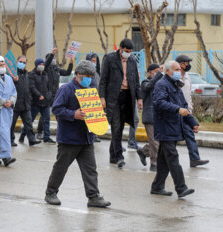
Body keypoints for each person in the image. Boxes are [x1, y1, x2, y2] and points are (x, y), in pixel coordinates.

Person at [45, 60, 111, 208]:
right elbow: (56, 109)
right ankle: (51, 192)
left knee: (90, 170)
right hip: (69, 138)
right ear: (77, 74)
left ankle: (93, 196)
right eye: (86, 75)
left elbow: (93, 111)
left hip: (86, 138)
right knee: (61, 167)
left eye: (91, 76)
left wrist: (99, 116)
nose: (89, 78)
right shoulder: (66, 89)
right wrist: (73, 114)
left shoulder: (91, 89)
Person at [151, 60, 196, 198]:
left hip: (173, 127)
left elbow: (184, 106)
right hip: (165, 127)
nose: (179, 72)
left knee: (164, 160)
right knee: (173, 158)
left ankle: (157, 187)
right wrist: (177, 109)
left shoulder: (176, 85)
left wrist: (193, 122)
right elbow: (159, 103)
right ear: (167, 71)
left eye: (179, 70)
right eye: (176, 69)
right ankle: (181, 188)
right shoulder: (161, 85)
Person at [99, 38, 144, 168]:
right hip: (114, 97)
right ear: (120, 48)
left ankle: (113, 156)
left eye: (130, 51)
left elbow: (136, 81)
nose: (128, 53)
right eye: (126, 51)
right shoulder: (109, 58)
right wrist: (102, 97)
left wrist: (139, 98)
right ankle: (119, 156)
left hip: (127, 96)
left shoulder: (132, 60)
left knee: (122, 125)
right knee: (116, 125)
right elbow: (103, 80)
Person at [175, 55, 209, 167]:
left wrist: (190, 108)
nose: (189, 65)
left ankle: (194, 159)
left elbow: (188, 95)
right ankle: (147, 151)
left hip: (186, 111)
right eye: (187, 63)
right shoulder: (174, 77)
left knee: (189, 134)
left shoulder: (187, 77)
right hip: (176, 111)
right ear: (180, 64)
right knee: (169, 139)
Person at [36, 48, 74, 140]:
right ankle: (40, 132)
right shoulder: (45, 69)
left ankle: (62, 130)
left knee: (59, 114)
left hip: (56, 94)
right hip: (47, 94)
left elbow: (67, 73)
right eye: (51, 58)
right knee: (45, 115)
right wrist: (52, 54)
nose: (53, 60)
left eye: (53, 58)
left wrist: (71, 63)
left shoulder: (56, 69)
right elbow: (47, 63)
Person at [21, 49, 56, 144]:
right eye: (40, 64)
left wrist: (48, 95)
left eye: (43, 64)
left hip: (45, 102)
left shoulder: (45, 74)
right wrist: (39, 95)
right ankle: (22, 135)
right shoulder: (31, 75)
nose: (42, 66)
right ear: (36, 65)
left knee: (47, 120)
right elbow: (32, 87)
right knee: (30, 121)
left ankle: (47, 137)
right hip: (35, 102)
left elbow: (48, 87)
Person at [10, 55, 41, 147]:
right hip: (15, 104)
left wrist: (30, 98)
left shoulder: (27, 74)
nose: (22, 64)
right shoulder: (12, 74)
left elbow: (29, 87)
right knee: (11, 124)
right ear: (17, 62)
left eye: (24, 62)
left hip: (26, 103)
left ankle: (31, 139)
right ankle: (10, 140)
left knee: (28, 123)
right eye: (20, 62)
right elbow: (8, 88)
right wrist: (14, 81)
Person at [141, 63, 163, 172]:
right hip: (149, 116)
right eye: (156, 71)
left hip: (160, 116)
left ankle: (144, 151)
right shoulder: (145, 82)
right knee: (154, 141)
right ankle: (154, 164)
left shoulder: (160, 83)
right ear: (150, 72)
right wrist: (159, 75)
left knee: (159, 141)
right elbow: (148, 87)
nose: (158, 74)